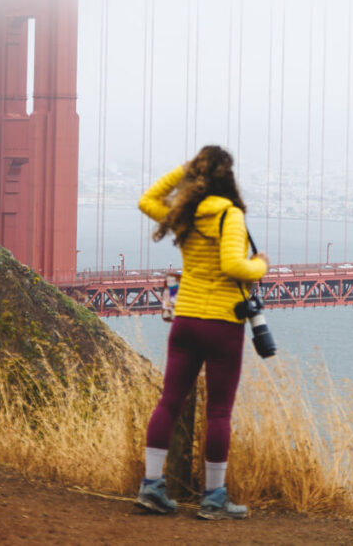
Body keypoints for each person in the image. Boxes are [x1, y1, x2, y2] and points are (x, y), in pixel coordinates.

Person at [134, 145, 269, 520]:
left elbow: (147, 200)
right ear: (228, 177)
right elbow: (232, 264)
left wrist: (185, 170)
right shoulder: (231, 215)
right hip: (222, 324)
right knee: (219, 412)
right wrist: (258, 266)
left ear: (197, 176)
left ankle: (151, 487)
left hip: (186, 320)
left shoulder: (185, 213)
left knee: (169, 402)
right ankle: (213, 498)